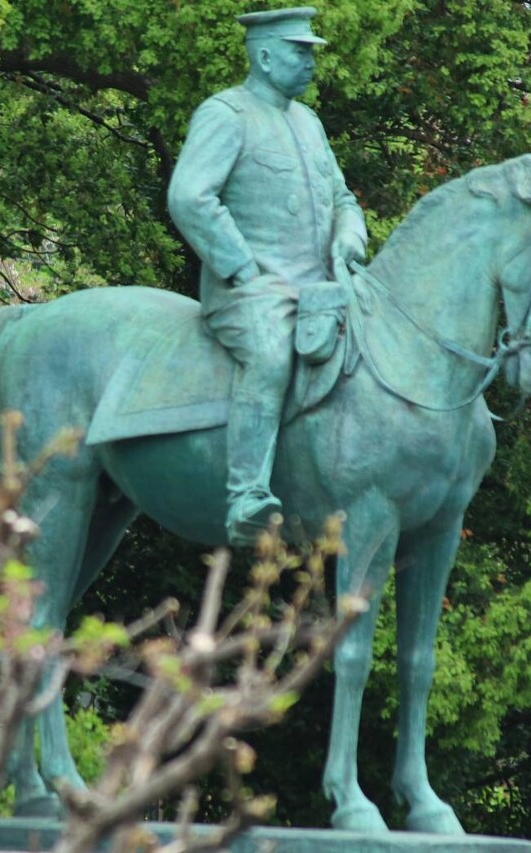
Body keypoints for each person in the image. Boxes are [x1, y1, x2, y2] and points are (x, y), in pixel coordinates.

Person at [167, 6, 368, 545]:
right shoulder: (226, 114)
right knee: (271, 354)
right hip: (251, 294)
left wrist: (351, 235)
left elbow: (343, 198)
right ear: (264, 55)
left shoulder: (309, 123)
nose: (311, 63)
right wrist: (240, 266)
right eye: (300, 52)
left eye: (311, 52)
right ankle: (246, 495)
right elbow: (190, 196)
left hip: (322, 290)